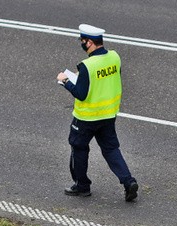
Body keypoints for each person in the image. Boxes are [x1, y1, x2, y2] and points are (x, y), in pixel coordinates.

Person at [57, 24, 139, 202]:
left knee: (78, 148)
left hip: (86, 118)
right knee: (111, 150)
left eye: (83, 41)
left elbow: (81, 94)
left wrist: (65, 82)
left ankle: (82, 186)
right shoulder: (114, 57)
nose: (82, 44)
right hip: (108, 115)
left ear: (90, 43)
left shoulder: (87, 65)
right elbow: (104, 76)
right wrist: (84, 76)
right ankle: (128, 182)